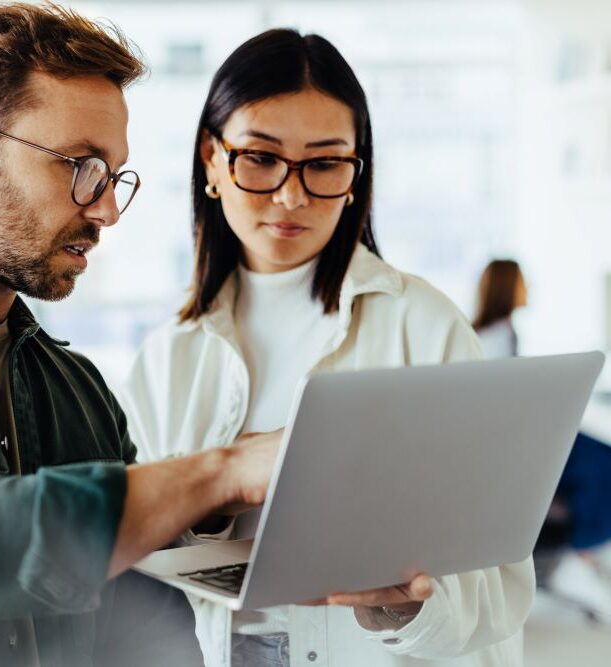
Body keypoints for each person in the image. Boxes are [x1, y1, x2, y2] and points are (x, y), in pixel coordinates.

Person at [121, 29, 535, 667]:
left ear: (354, 174)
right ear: (211, 158)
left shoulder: (422, 324)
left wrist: (403, 607)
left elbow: (500, 587)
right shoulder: (166, 358)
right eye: (260, 157)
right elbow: (138, 564)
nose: (292, 195)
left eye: (323, 163)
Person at [0, 4, 282, 666]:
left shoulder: (80, 391)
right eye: (78, 165)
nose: (103, 210)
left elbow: (144, 619)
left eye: (112, 176)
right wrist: (221, 470)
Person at [473, 259, 611, 620]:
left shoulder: (502, 330)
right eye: (523, 282)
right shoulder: (494, 337)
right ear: (508, 287)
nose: (529, 289)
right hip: (510, 443)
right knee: (601, 462)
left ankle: (582, 551)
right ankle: (580, 552)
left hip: (522, 433)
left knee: (597, 456)